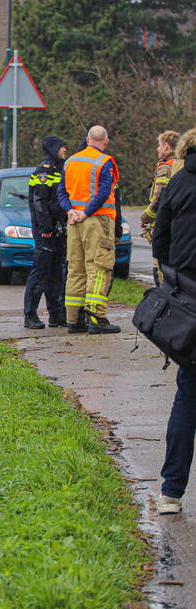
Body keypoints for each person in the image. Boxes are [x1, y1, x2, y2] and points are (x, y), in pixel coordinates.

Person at [151, 127, 196, 514]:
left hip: (188, 303)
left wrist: (174, 277)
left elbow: (159, 238)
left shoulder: (179, 181)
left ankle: (171, 492)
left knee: (187, 396)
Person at [56, 125, 121, 334]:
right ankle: (97, 317)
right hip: (97, 221)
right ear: (106, 141)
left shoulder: (71, 161)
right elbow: (103, 192)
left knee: (75, 268)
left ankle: (73, 320)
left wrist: (70, 211)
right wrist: (86, 212)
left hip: (74, 222)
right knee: (99, 267)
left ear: (87, 139)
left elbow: (62, 192)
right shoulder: (104, 162)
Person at [23, 136, 69, 329]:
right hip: (46, 231)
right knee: (40, 273)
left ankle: (56, 314)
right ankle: (30, 315)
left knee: (56, 274)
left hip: (58, 230)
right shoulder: (44, 170)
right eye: (61, 146)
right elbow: (39, 201)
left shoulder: (60, 169)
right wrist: (46, 228)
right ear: (52, 148)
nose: (65, 149)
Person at [141, 130, 180, 284]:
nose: (157, 149)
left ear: (166, 146)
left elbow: (159, 198)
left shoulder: (165, 168)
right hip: (180, 226)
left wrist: (145, 217)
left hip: (164, 226)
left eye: (159, 145)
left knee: (161, 272)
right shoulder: (184, 165)